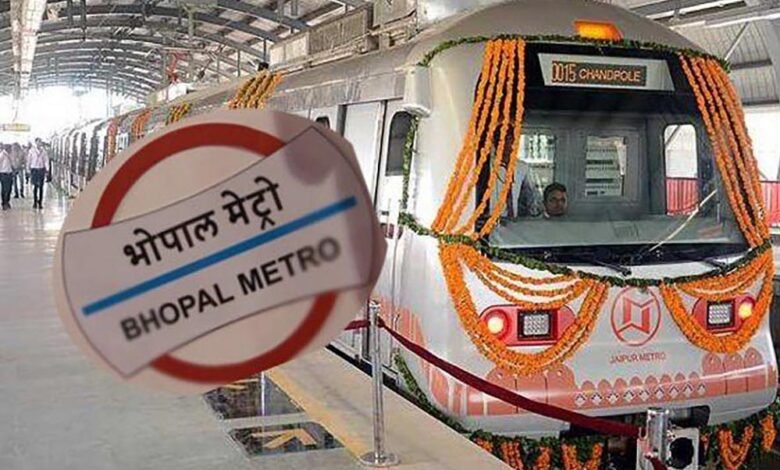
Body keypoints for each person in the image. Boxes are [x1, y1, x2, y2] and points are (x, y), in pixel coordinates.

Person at [28, 138, 49, 210]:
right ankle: (35, 201)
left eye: (40, 142)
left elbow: (46, 160)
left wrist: (47, 169)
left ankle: (40, 202)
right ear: (35, 142)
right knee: (35, 186)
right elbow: (29, 160)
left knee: (41, 187)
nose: (39, 143)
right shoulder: (31, 151)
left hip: (41, 170)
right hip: (34, 170)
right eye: (38, 142)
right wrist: (28, 169)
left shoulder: (44, 151)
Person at [0, 144, 13, 210]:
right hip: (3, 173)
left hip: (9, 173)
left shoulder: (10, 155)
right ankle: (4, 203)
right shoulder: (2, 155)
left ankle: (7, 201)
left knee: (9, 189)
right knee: (4, 189)